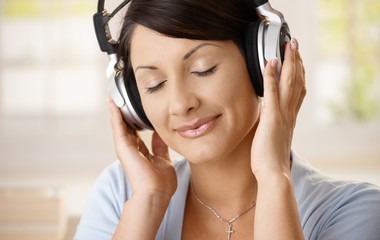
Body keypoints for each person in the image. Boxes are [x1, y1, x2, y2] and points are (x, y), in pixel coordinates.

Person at [75, 0, 380, 239]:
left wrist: (274, 177)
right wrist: (149, 201)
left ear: (260, 62)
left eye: (203, 69)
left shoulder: (355, 210)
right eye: (154, 85)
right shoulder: (121, 194)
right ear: (132, 101)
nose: (181, 104)